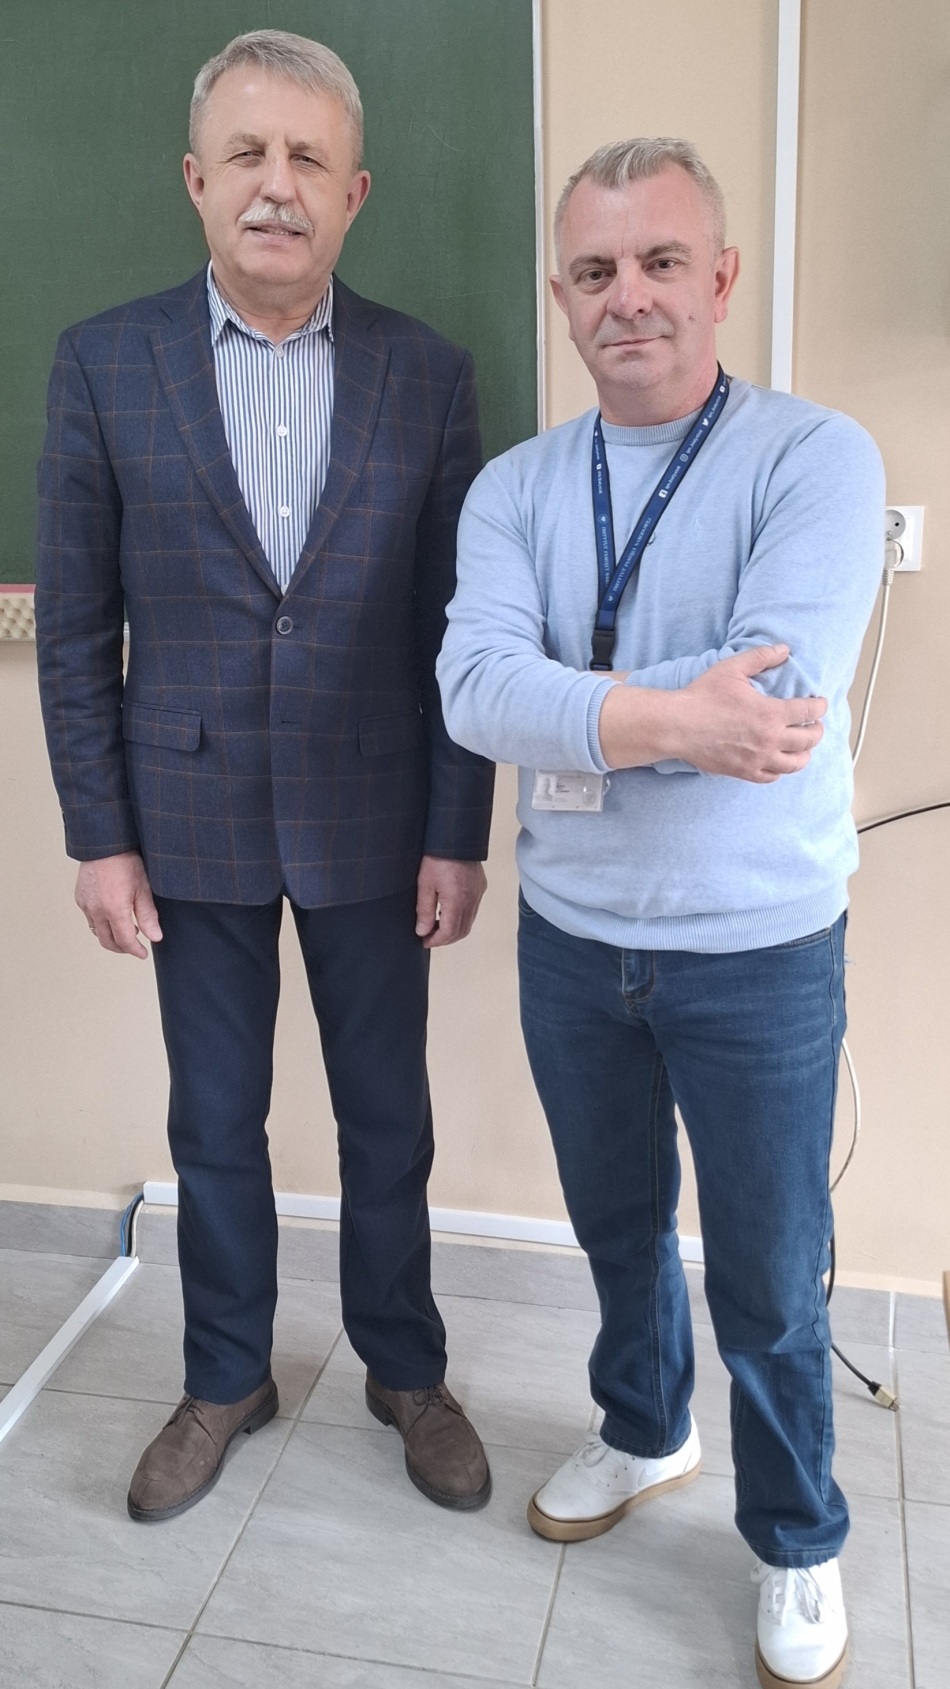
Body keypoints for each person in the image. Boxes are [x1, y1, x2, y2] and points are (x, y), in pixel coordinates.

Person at [438, 138, 884, 1688]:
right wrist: (675, 716)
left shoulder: (813, 458)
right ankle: (643, 1428)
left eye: (659, 262)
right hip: (572, 939)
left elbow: (779, 694)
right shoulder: (513, 489)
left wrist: (578, 702)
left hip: (757, 948)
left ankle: (797, 1533)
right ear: (562, 295)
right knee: (616, 1226)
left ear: (719, 278)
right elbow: (473, 687)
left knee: (767, 1269)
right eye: (593, 270)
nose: (624, 296)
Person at [35, 29, 495, 1524]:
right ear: (196, 179)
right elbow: (75, 629)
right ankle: (225, 1373)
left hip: (376, 819)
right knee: (214, 1123)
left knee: (388, 1121)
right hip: (186, 822)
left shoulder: (429, 375)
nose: (276, 185)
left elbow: (454, 628)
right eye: (248, 154)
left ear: (354, 193)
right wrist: (98, 838)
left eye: (308, 159)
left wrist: (457, 830)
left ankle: (405, 1369)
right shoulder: (103, 364)